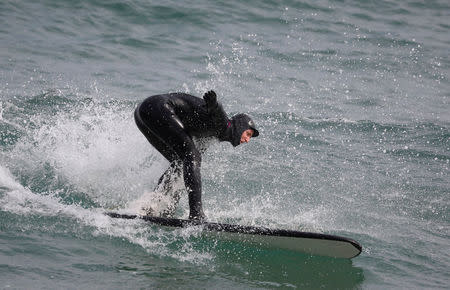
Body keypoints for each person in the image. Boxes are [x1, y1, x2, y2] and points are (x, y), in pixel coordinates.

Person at [134, 90, 259, 220]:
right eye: (248, 134)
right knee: (192, 157)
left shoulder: (211, 136)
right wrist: (214, 103)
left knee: (182, 163)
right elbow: (218, 112)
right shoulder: (223, 124)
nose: (247, 140)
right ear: (240, 126)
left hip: (143, 113)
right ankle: (196, 214)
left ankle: (157, 207)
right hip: (157, 108)